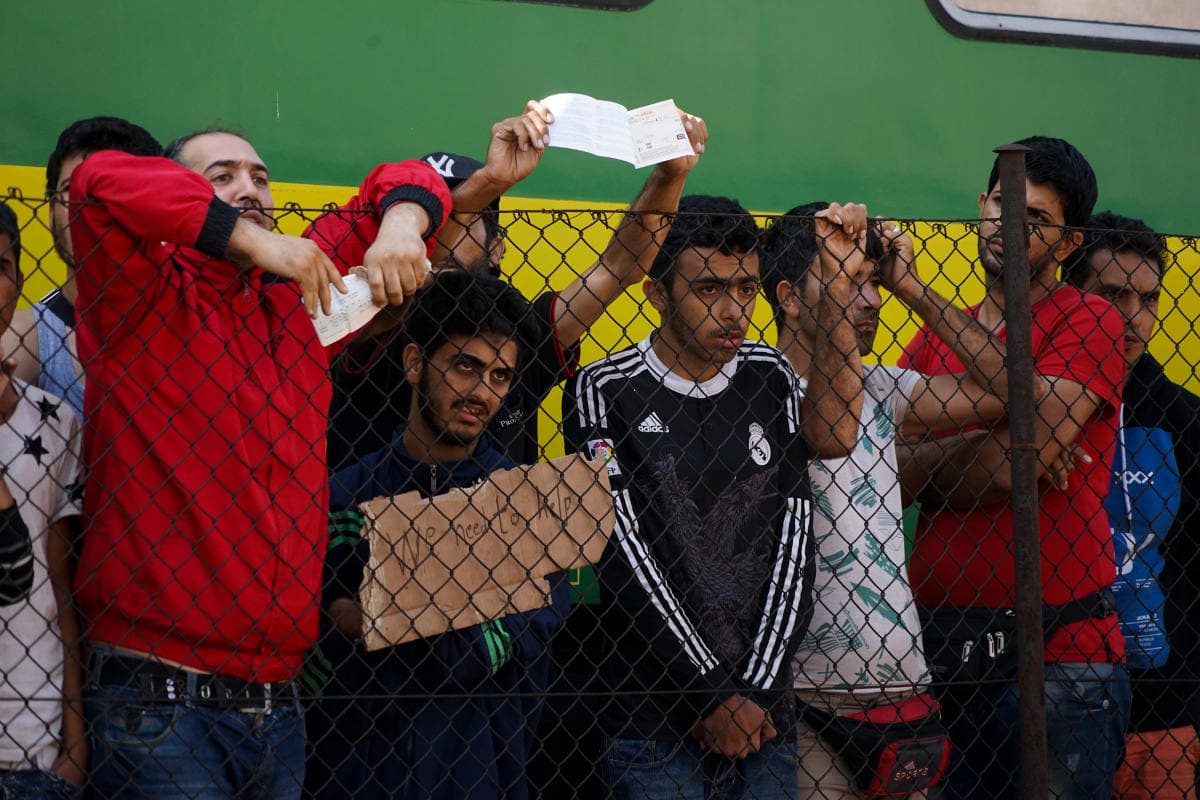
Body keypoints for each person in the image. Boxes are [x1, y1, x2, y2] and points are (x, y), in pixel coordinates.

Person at [66, 127, 450, 798]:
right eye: (222, 176)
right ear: (181, 194)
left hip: (278, 703)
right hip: (159, 698)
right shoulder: (139, 293)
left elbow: (406, 174)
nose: (251, 189)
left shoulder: (293, 298)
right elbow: (100, 181)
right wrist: (256, 241)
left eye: (261, 177)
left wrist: (399, 229)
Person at [562, 194, 869, 799]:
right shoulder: (602, 389)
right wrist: (709, 692)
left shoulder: (770, 376)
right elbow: (621, 551)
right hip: (650, 716)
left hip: (763, 716)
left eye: (747, 288)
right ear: (656, 293)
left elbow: (792, 541)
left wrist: (751, 693)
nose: (734, 311)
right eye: (707, 288)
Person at [898, 136, 1128, 800]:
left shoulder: (1090, 320)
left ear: (1067, 242)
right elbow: (891, 477)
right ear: (980, 205)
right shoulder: (933, 336)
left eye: (1037, 220)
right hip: (941, 656)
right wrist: (1007, 443)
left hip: (1061, 660)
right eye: (1003, 205)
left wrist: (950, 460)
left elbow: (1006, 473)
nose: (1010, 227)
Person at [762, 202, 1017, 799]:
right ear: (791, 298)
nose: (872, 301)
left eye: (874, 284)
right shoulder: (754, 388)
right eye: (853, 282)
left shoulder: (884, 387)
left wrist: (911, 286)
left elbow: (1012, 388)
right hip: (804, 702)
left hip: (906, 696)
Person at [320, 99, 708, 469]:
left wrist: (670, 175)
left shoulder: (521, 333)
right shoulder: (375, 317)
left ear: (497, 249)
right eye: (431, 215)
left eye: (462, 213)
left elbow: (618, 268)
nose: (436, 231)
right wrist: (489, 182)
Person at [310, 270, 566, 799]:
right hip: (353, 775)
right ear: (414, 363)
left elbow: (478, 654)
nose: (481, 393)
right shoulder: (344, 495)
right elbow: (318, 650)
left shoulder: (529, 510)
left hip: (481, 776)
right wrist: (457, 602)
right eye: (465, 366)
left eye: (500, 376)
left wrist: (366, 615)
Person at [1062, 211, 1200, 799]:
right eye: (1113, 294)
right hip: (1053, 690)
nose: (1132, 315)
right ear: (1072, 296)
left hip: (1164, 707)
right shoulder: (1028, 408)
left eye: (1147, 297)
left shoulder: (1184, 419)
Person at [0, 199, 87, 798]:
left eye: (0, 266)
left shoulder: (55, 422)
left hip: (32, 739)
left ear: (20, 284)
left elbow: (59, 583)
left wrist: (75, 738)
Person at [0, 117, 163, 418]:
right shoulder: (28, 336)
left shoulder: (192, 323)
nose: (95, 210)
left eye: (119, 189)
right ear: (50, 213)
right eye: (73, 190)